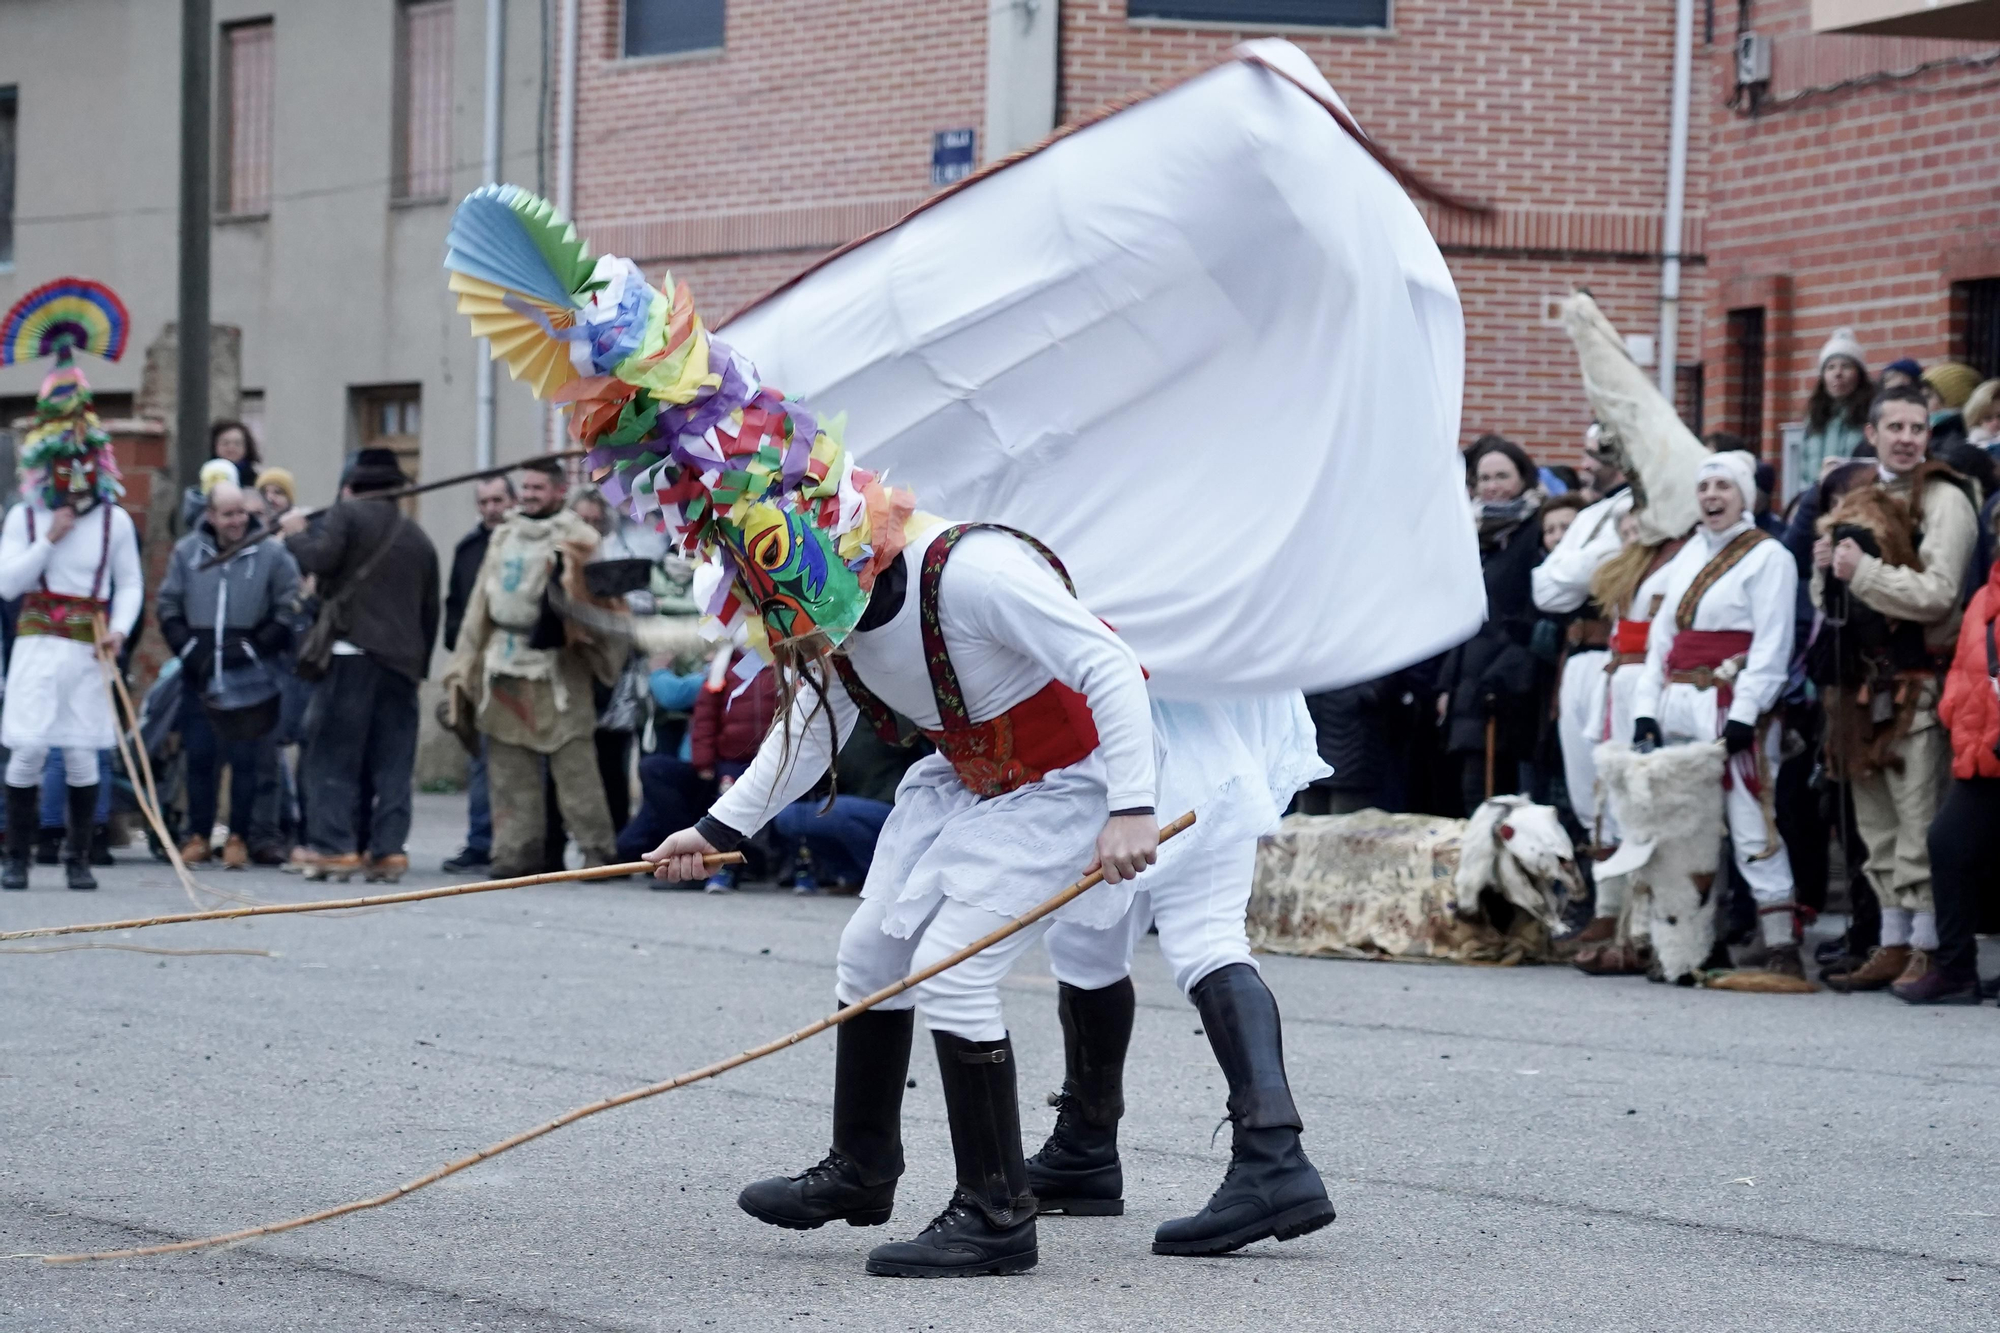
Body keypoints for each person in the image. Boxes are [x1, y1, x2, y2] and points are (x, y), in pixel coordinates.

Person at [1811, 385, 1979, 991]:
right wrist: (1827, 572)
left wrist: (1863, 571)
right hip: (1860, 687)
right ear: (1873, 433)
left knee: (1919, 823)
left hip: (1919, 685)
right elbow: (1825, 599)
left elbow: (1939, 595)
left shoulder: (1945, 497)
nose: (1907, 439)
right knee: (1876, 827)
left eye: (1917, 428)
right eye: (1896, 427)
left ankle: (1931, 948)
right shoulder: (1855, 496)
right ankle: (1893, 941)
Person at [1631, 451, 1803, 976]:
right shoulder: (1686, 555)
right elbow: (1663, 641)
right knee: (1686, 827)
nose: (1711, 496)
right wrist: (1645, 711)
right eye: (1704, 488)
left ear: (1745, 496)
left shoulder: (1769, 557)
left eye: (1723, 487)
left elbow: (1772, 644)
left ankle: (1781, 944)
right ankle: (1693, 942)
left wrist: (1746, 714)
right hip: (1679, 702)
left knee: (1750, 822)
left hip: (1731, 704)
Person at [441, 458, 623, 879]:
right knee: (508, 768)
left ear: (559, 491)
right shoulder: (504, 535)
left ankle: (598, 854)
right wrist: (464, 664)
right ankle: (515, 855)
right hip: (504, 661)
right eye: (526, 488)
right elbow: (479, 604)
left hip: (559, 667)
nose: (528, 495)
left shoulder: (580, 537)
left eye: (538, 488)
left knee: (575, 767)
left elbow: (604, 604)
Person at [0, 358, 143, 891]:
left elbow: (130, 584)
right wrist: (48, 540)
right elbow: (7, 584)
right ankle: (17, 857)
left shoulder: (115, 521)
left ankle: (78, 858)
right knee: (29, 749)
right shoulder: (24, 516)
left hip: (88, 648)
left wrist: (120, 628)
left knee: (84, 753)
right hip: (38, 644)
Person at [278, 448, 440, 883]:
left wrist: (295, 534)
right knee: (392, 764)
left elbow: (321, 560)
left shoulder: (346, 515)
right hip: (402, 665)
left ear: (350, 487)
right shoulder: (417, 537)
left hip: (351, 656)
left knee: (331, 755)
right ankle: (388, 851)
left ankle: (335, 847)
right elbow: (430, 611)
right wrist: (419, 668)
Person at [156, 481, 299, 867]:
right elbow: (168, 604)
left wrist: (256, 646)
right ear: (210, 515)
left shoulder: (270, 553)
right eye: (228, 514)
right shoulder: (187, 552)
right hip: (200, 672)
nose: (236, 521)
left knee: (246, 759)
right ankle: (198, 835)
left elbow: (289, 604)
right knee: (200, 755)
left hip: (251, 675)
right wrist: (189, 649)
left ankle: (239, 837)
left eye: (241, 513)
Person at [1893, 549, 1999, 1003]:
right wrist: (1952, 711)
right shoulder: (1984, 596)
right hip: (1981, 752)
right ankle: (1956, 972)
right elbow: (1962, 667)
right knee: (1947, 843)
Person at [1531, 431, 1632, 881]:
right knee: (1583, 785)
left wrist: (1573, 569)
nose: (1587, 464)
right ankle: (1600, 897)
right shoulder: (1590, 514)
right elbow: (1544, 590)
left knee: (1616, 781)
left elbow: (1593, 570)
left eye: (1598, 454)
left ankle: (1622, 898)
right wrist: (1581, 568)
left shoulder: (1637, 507)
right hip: (1575, 659)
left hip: (1615, 654)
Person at [1438, 434, 1545, 813]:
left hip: (1509, 684)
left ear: (1523, 477)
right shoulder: (1474, 535)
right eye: (1484, 478)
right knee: (1468, 793)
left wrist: (1503, 675)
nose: (1492, 486)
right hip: (1470, 679)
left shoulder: (1535, 531)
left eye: (1502, 476)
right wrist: (1447, 684)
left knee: (1495, 795)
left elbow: (1531, 612)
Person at [439, 475, 514, 873]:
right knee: (480, 758)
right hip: (478, 670)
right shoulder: (468, 549)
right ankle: (480, 841)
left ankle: (521, 844)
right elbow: (454, 607)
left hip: (520, 665)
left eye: (497, 500)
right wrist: (463, 646)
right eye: (484, 502)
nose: (491, 509)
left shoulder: (526, 542)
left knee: (524, 761)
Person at [773, 726, 927, 893]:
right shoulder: (833, 725)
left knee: (832, 810)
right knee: (788, 817)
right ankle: (850, 876)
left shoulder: (893, 717)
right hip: (848, 804)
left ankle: (884, 877)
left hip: (898, 809)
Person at [1798, 330, 1873, 487]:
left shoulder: (1870, 414)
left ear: (1859, 374)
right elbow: (1803, 469)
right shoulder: (1814, 417)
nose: (1838, 373)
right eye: (1830, 367)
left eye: (1846, 366)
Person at [179, 420, 262, 529]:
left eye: (237, 443)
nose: (231, 448)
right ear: (215, 446)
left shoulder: (255, 479)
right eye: (225, 443)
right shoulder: (203, 474)